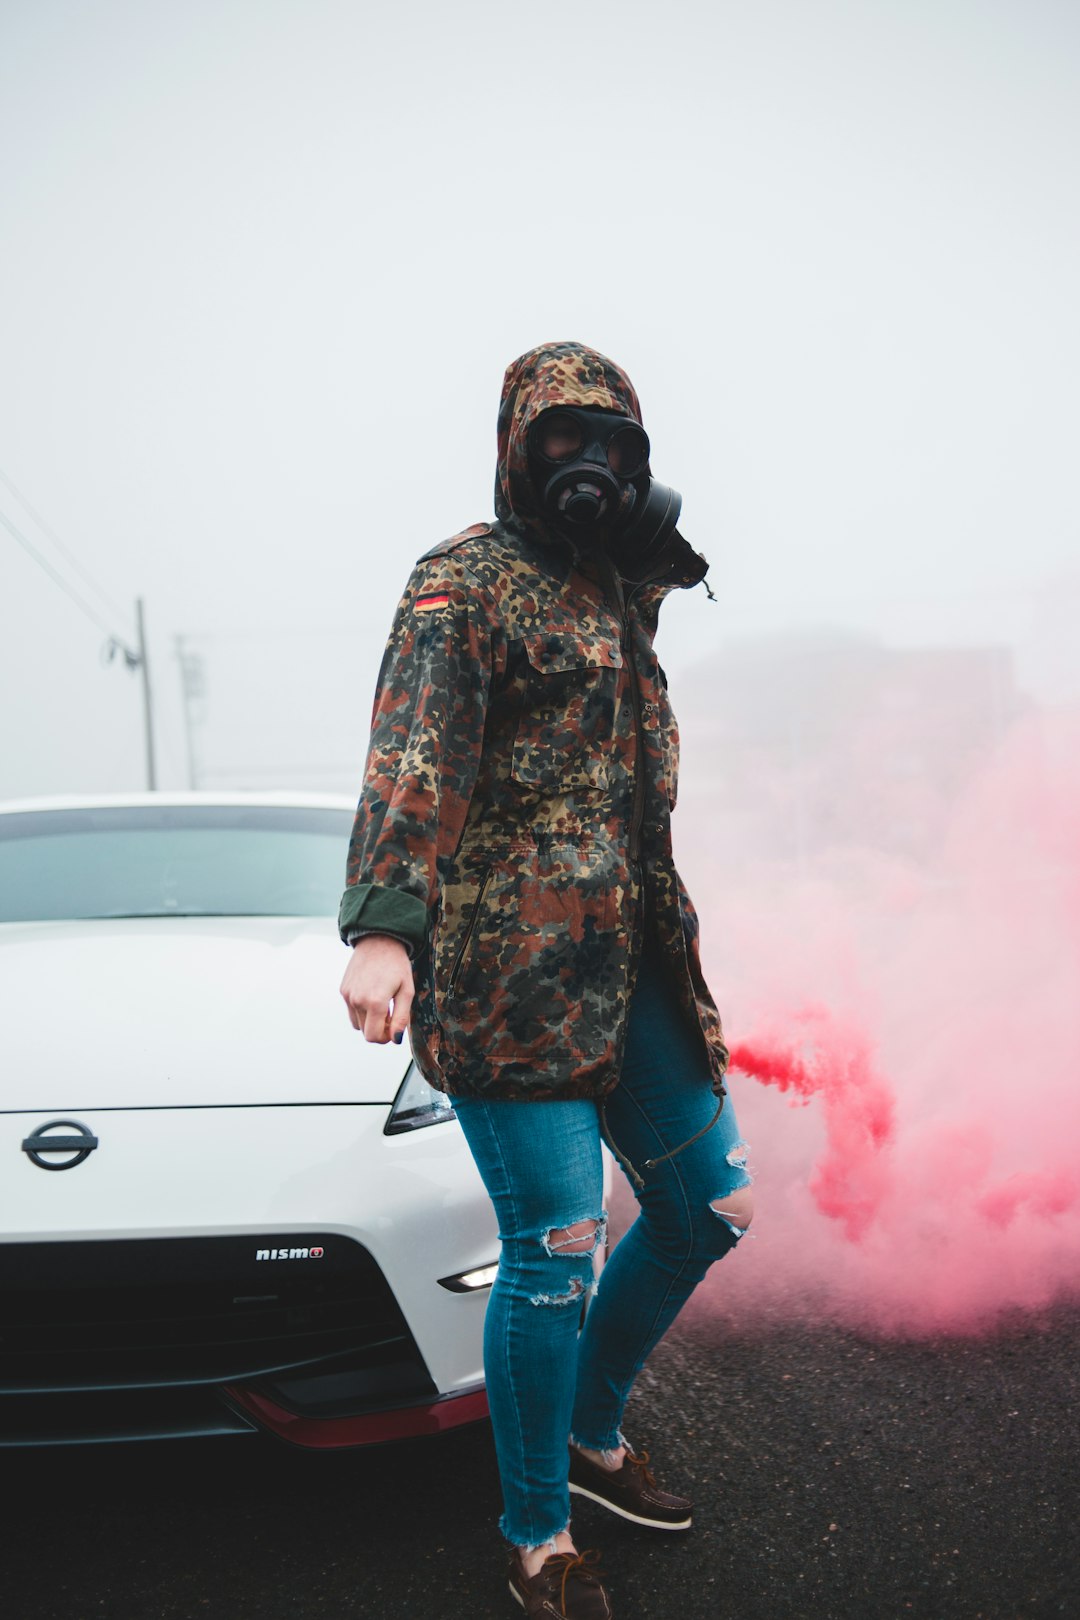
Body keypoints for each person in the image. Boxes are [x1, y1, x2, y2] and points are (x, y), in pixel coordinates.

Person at [338, 341, 752, 1619]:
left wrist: (650, 569)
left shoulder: (615, 588)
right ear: (519, 447)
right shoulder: (463, 585)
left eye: (614, 446)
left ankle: (589, 1426)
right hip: (508, 983)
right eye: (564, 441)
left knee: (709, 1211)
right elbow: (414, 761)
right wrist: (384, 931)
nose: (591, 465)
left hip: (632, 966)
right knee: (558, 1249)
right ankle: (538, 1533)